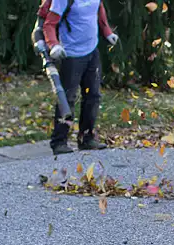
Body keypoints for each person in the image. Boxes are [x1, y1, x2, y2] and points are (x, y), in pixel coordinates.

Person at [38, 0, 118, 155]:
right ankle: (59, 141)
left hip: (92, 51)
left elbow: (98, 9)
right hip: (71, 55)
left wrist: (107, 32)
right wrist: (53, 45)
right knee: (67, 98)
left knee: (93, 95)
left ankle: (86, 138)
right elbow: (49, 24)